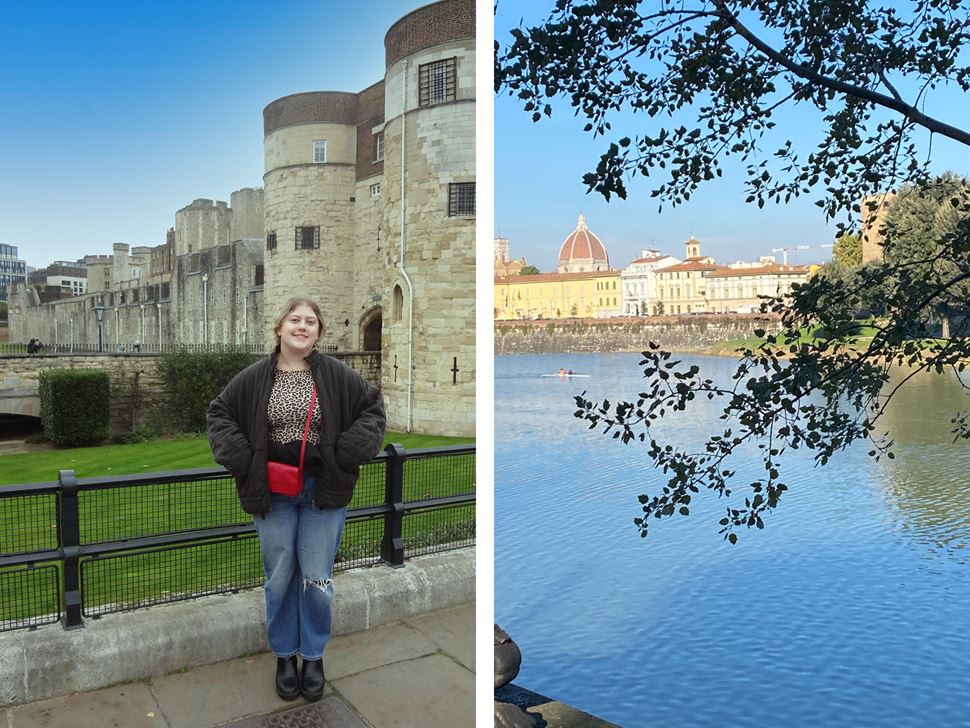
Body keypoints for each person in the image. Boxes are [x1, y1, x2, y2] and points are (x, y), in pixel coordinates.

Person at [206, 296, 386, 702]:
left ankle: (314, 655)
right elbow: (219, 414)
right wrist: (241, 458)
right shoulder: (254, 377)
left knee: (318, 579)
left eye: (310, 322)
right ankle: (285, 656)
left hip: (322, 490)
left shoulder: (337, 374)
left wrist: (346, 452)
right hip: (274, 493)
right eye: (294, 320)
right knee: (280, 577)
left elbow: (372, 409)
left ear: (319, 332)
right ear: (280, 328)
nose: (302, 327)